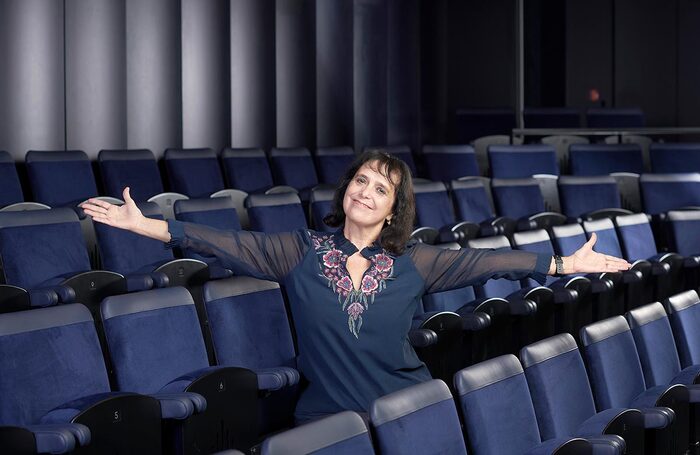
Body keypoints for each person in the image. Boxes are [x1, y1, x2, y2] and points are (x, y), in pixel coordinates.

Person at [81, 149, 630, 423]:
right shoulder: (298, 251)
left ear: (394, 210)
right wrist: (146, 225)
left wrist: (560, 264)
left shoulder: (418, 262)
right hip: (331, 422)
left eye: (382, 188)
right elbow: (216, 241)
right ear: (347, 190)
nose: (367, 192)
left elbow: (486, 264)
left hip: (411, 411)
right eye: (361, 181)